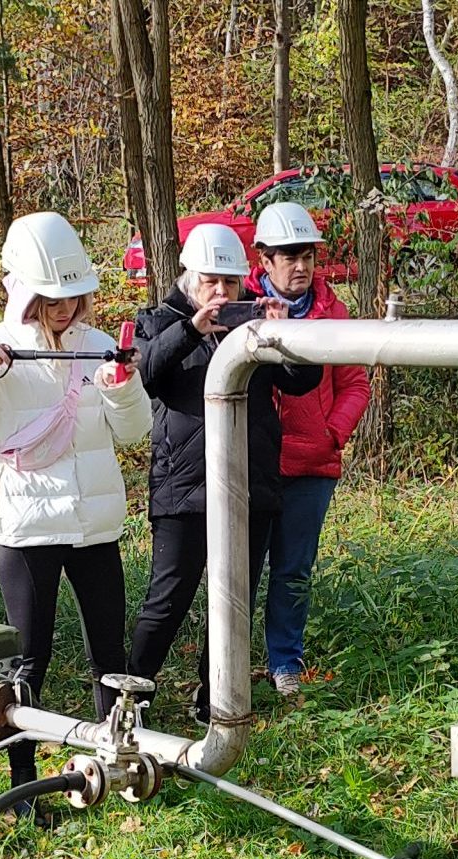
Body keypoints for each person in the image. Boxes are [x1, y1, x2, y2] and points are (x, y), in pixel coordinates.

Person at [0, 211, 152, 790]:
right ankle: (23, 778)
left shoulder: (101, 347)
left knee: (110, 654)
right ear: (24, 292)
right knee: (29, 660)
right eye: (51, 298)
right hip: (26, 530)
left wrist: (123, 391)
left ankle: (115, 765)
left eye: (73, 297)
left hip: (94, 525)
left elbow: (133, 430)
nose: (63, 309)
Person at [128, 223, 320, 722]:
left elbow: (305, 380)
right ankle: (132, 696)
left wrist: (281, 332)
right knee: (167, 599)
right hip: (184, 489)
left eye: (231, 284)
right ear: (189, 277)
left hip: (250, 486)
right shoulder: (159, 319)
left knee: (234, 602)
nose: (221, 294)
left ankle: (215, 699)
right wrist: (194, 327)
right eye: (212, 282)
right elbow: (146, 374)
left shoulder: (251, 322)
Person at [247, 203, 368, 699]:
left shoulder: (333, 312)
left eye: (309, 257)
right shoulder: (241, 306)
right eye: (289, 256)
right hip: (254, 467)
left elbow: (356, 383)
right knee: (243, 569)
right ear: (264, 259)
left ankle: (285, 664)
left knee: (293, 568)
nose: (301, 267)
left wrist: (330, 434)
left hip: (312, 467)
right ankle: (226, 669)